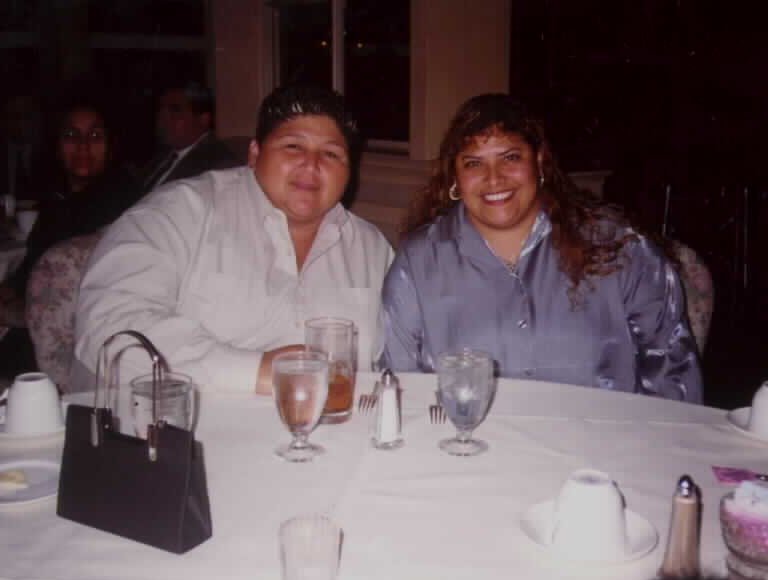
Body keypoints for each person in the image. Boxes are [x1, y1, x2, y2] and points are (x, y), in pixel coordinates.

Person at [381, 93, 702, 403]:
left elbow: (673, 379)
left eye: (510, 157)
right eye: (474, 163)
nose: (494, 178)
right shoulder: (418, 263)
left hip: (602, 439)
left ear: (539, 161)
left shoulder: (618, 250)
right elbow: (399, 387)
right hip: (465, 438)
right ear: (455, 177)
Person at [73, 85, 394, 393]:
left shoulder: (371, 249)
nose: (311, 164)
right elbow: (110, 327)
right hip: (183, 428)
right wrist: (258, 372)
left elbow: (390, 362)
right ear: (254, 153)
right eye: (293, 146)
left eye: (331, 154)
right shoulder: (180, 211)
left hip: (334, 430)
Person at [0, 98, 142, 377]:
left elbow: (76, 294)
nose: (83, 146)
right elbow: (32, 264)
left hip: (69, 345)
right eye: (71, 135)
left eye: (95, 136)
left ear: (111, 145)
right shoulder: (58, 199)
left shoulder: (118, 201)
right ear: (57, 145)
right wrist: (8, 289)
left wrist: (12, 311)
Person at [140, 82, 238, 192]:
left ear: (203, 119)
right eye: (161, 110)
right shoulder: (163, 155)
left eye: (175, 110)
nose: (163, 119)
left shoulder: (218, 163)